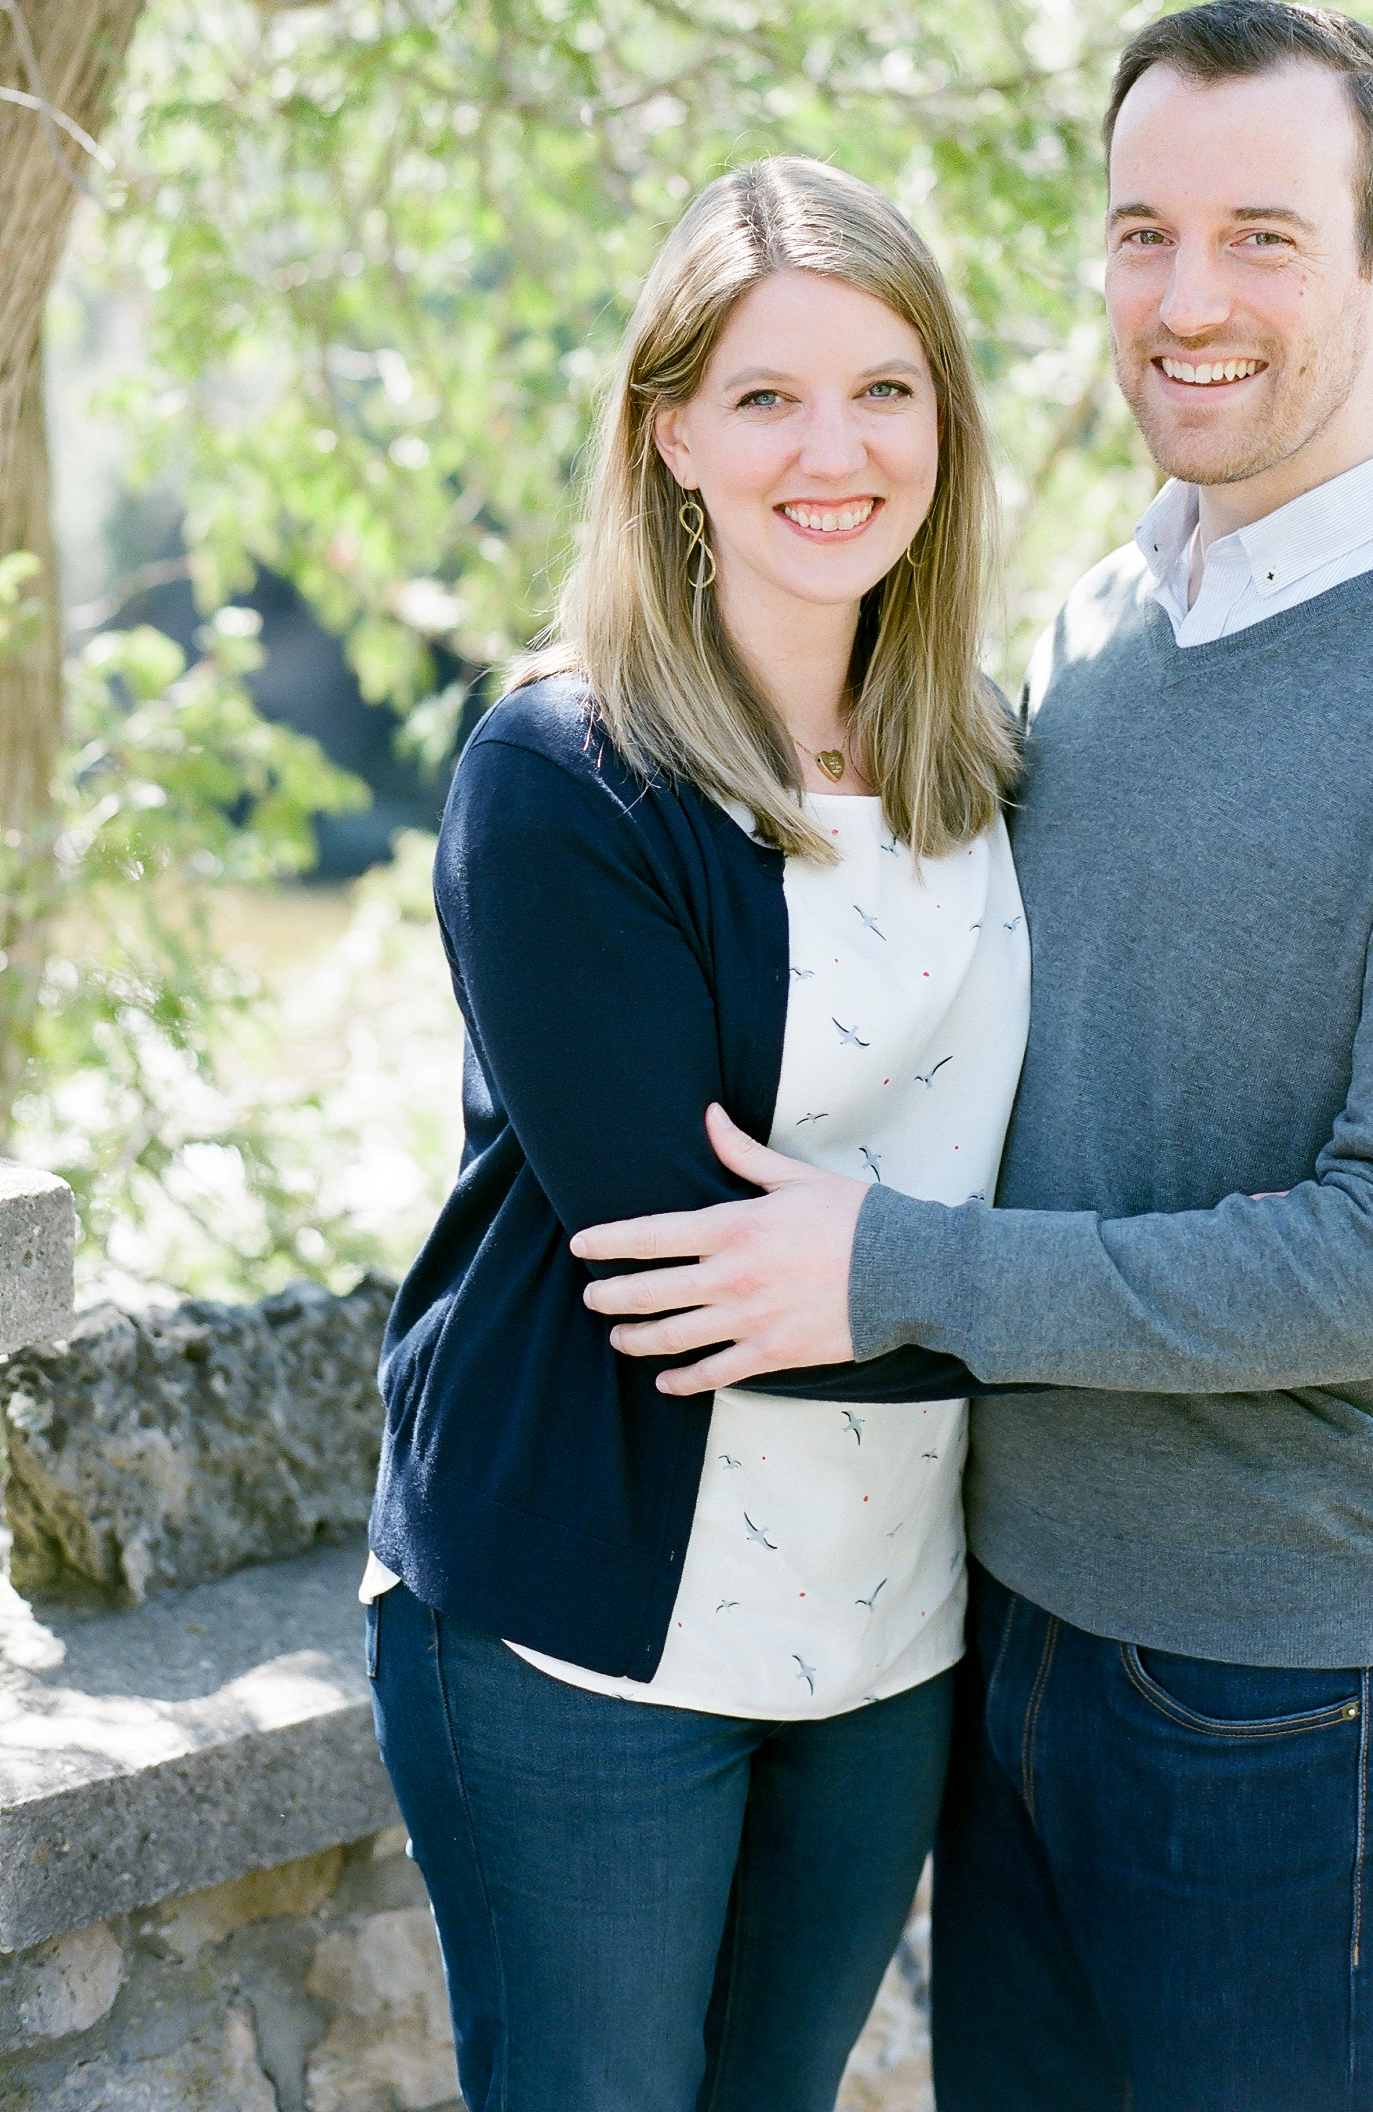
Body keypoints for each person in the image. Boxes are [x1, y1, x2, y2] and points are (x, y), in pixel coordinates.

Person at [581, 0, 1373, 2112]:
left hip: (1277, 1687)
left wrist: (895, 1270)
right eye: (1140, 233)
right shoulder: (1094, 625)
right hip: (1006, 1624)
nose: (1186, 301)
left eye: (1263, 236)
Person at [361, 157, 1026, 2112]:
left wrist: (900, 1258)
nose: (837, 449)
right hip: (583, 1631)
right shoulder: (567, 775)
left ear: (946, 423)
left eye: (885, 390)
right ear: (668, 439)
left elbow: (977, 1193)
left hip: (887, 1630)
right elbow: (679, 1276)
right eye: (765, 397)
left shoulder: (981, 754)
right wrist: (1067, 1296)